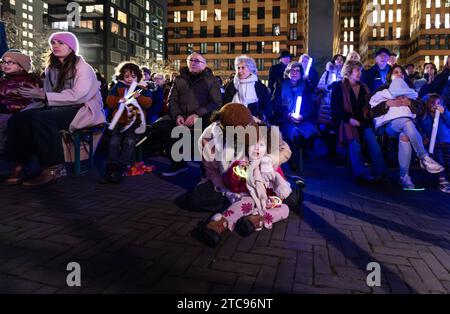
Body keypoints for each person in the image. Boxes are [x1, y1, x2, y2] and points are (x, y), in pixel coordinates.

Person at [5, 31, 105, 186]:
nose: (56, 46)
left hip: (82, 108)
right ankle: (19, 164)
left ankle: (53, 169)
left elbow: (79, 95)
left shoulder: (84, 68)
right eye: (53, 43)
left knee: (43, 118)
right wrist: (38, 93)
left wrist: (43, 95)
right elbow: (48, 92)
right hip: (57, 105)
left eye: (61, 43)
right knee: (19, 118)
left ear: (71, 47)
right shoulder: (51, 68)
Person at [195, 124, 291, 247]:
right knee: (247, 203)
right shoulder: (242, 163)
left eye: (261, 145)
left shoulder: (270, 165)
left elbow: (279, 185)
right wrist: (236, 173)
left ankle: (255, 220)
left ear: (267, 148)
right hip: (246, 195)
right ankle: (220, 224)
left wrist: (276, 199)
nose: (257, 148)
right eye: (253, 144)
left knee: (285, 209)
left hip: (265, 201)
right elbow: (231, 185)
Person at [370, 65, 444, 189]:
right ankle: (424, 157)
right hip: (388, 126)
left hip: (407, 127)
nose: (399, 74)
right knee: (407, 123)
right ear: (390, 75)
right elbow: (372, 112)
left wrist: (410, 103)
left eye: (401, 72)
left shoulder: (410, 91)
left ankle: (404, 177)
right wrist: (387, 104)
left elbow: (421, 109)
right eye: (395, 72)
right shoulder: (383, 89)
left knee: (405, 136)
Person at [150, 52, 222, 177]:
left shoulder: (212, 80)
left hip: (202, 116)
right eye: (190, 60)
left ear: (204, 65)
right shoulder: (179, 79)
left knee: (207, 133)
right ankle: (178, 163)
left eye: (197, 61)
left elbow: (216, 102)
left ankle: (205, 169)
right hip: (180, 115)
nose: (193, 63)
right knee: (160, 127)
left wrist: (196, 115)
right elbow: (171, 100)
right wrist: (177, 115)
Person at [331, 60, 389, 182]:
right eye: (357, 70)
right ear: (349, 71)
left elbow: (370, 107)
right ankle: (361, 174)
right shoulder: (338, 86)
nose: (360, 73)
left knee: (372, 141)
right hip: (346, 122)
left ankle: (381, 171)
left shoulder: (364, 87)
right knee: (355, 144)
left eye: (360, 70)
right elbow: (336, 109)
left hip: (363, 121)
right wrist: (349, 119)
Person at [101, 62, 153, 184]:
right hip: (119, 121)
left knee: (129, 141)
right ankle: (110, 169)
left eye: (133, 76)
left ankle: (121, 168)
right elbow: (109, 101)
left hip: (135, 121)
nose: (130, 79)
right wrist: (119, 100)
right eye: (127, 76)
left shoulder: (142, 88)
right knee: (114, 142)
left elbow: (149, 103)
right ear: (122, 76)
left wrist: (139, 97)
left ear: (138, 76)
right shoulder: (117, 86)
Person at [271, 61, 318, 171]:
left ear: (301, 73)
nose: (295, 72)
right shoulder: (280, 85)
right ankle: (293, 160)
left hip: (302, 119)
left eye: (297, 71)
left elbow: (310, 106)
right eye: (292, 70)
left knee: (308, 133)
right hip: (284, 119)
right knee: (294, 134)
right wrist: (287, 114)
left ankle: (296, 155)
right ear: (288, 72)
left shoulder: (305, 86)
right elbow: (275, 104)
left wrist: (303, 116)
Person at [0, 50, 41, 155]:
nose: (5, 64)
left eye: (10, 62)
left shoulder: (28, 82)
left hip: (15, 112)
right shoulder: (4, 80)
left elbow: (29, 103)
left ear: (21, 66)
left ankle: (5, 155)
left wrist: (7, 107)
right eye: (4, 62)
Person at [223, 55, 272, 123]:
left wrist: (261, 117)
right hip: (233, 122)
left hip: (255, 122)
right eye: (238, 68)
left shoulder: (260, 87)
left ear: (250, 69)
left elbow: (267, 107)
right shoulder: (231, 86)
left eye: (243, 68)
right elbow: (225, 105)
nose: (240, 70)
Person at [419, 94, 450, 193]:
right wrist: (423, 136)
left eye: (438, 103)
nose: (435, 105)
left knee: (448, 162)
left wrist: (444, 113)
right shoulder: (424, 117)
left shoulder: (444, 114)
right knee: (439, 162)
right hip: (434, 145)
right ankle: (443, 181)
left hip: (447, 142)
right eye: (433, 103)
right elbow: (420, 129)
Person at [317, 54, 345, 157]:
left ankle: (337, 150)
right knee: (327, 128)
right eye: (337, 59)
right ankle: (330, 150)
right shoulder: (327, 73)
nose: (339, 61)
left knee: (337, 127)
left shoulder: (345, 74)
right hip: (326, 105)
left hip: (339, 105)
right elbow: (319, 87)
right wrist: (328, 87)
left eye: (341, 59)